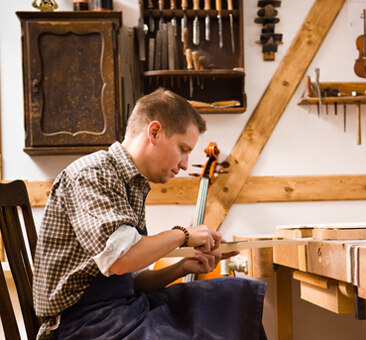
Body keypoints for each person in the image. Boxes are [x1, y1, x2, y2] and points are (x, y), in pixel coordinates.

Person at [33, 88, 267, 340]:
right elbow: (120, 259)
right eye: (183, 149)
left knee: (234, 296)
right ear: (154, 132)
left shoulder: (130, 183)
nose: (186, 164)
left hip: (119, 309)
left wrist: (182, 267)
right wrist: (183, 235)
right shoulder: (93, 173)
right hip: (82, 324)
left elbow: (129, 279)